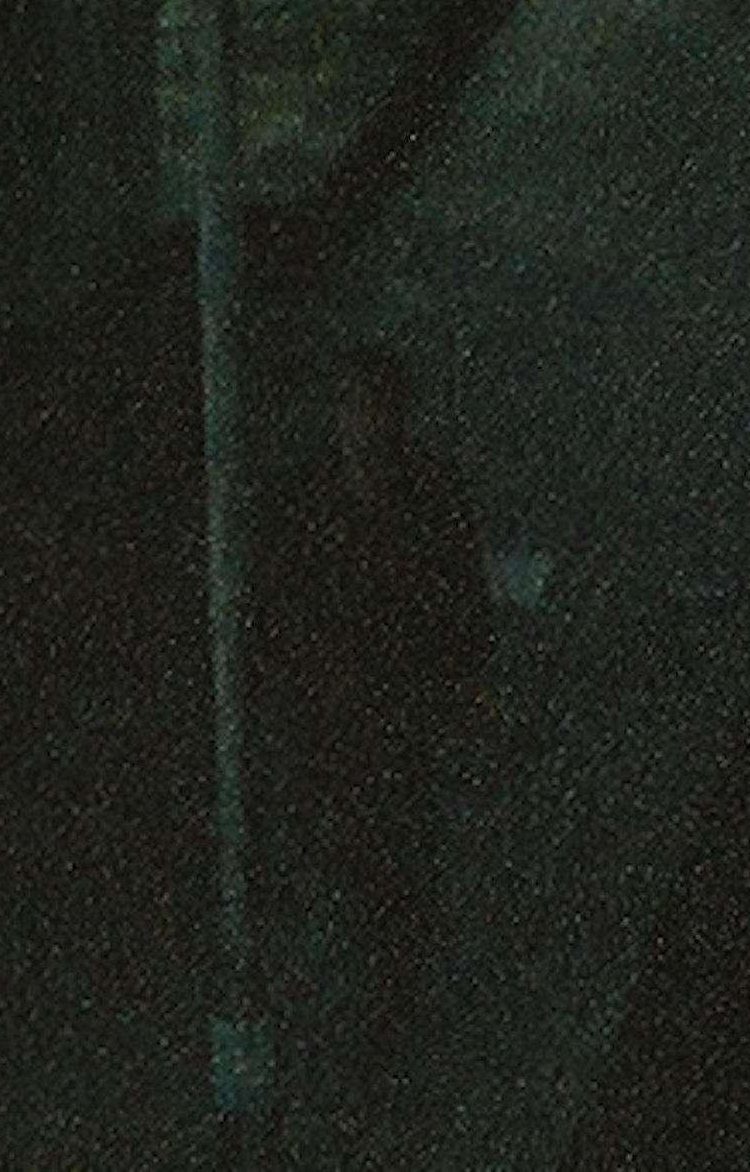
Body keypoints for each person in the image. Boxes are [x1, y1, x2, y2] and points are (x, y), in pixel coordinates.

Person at [260, 350, 493, 1067]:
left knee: (396, 857)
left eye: (377, 411)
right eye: (355, 409)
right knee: (337, 854)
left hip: (396, 715)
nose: (365, 427)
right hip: (330, 720)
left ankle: (389, 999)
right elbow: (279, 612)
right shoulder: (307, 501)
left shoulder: (429, 493)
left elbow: (461, 604)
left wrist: (457, 692)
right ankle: (356, 996)